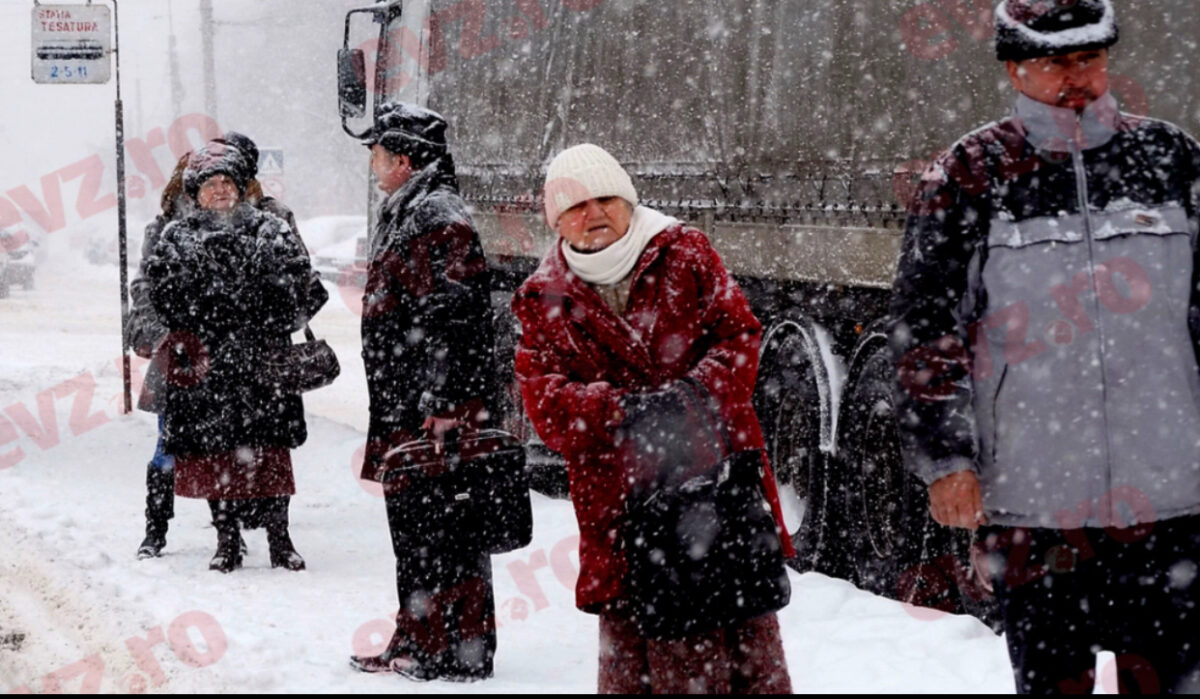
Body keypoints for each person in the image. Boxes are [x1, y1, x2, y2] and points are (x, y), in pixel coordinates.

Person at [889, 0, 1200, 692]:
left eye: (1088, 58)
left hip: (1171, 497)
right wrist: (947, 456)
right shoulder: (971, 174)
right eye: (1056, 62)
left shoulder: (1171, 159)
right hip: (1036, 504)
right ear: (1014, 68)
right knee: (1053, 681)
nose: (1077, 77)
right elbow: (925, 325)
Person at [511, 143, 794, 694]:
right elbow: (544, 404)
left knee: (738, 647)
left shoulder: (684, 252)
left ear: (628, 200)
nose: (591, 214)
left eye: (604, 199)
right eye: (573, 205)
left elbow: (740, 337)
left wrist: (687, 400)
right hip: (619, 506)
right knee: (638, 653)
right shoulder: (541, 297)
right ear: (555, 219)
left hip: (713, 490)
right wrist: (621, 412)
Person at [348, 102, 499, 682]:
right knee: (414, 527)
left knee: (447, 530)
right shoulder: (409, 209)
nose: (374, 168)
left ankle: (457, 650)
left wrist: (443, 405)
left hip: (432, 405)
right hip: (406, 399)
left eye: (379, 157)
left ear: (405, 160)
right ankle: (416, 635)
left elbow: (455, 316)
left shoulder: (436, 215)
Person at [130, 133, 321, 560]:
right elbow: (158, 292)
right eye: (210, 184)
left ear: (241, 186)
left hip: (260, 363)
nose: (220, 191)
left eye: (227, 182)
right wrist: (179, 331)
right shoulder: (176, 235)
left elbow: (300, 285)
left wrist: (262, 313)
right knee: (207, 453)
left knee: (271, 453)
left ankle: (279, 538)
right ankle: (220, 537)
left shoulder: (270, 227)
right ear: (194, 192)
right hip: (205, 367)